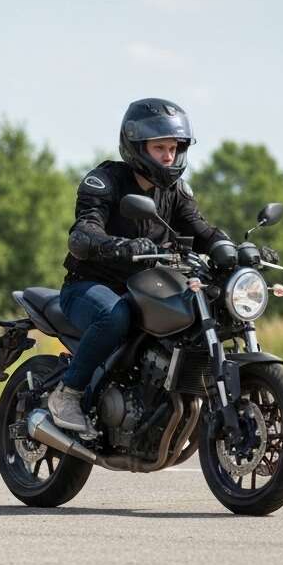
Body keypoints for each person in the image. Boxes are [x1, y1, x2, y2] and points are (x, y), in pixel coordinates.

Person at [48, 98, 232, 432]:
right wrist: (119, 246)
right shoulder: (104, 181)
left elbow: (200, 229)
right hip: (90, 286)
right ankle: (68, 393)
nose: (168, 156)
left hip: (149, 288)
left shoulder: (175, 192)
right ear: (136, 147)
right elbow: (83, 234)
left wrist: (229, 249)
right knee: (115, 315)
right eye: (159, 147)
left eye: (174, 147)